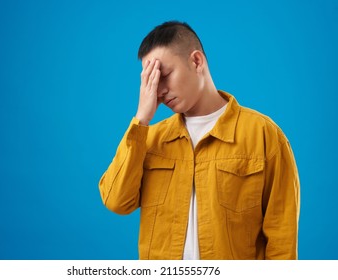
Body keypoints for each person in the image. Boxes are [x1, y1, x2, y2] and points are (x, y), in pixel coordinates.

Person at [99, 21, 300, 260]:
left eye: (163, 75)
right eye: (150, 80)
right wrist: (141, 120)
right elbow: (116, 201)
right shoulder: (149, 139)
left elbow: (282, 239)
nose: (159, 90)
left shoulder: (264, 135)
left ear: (196, 61)